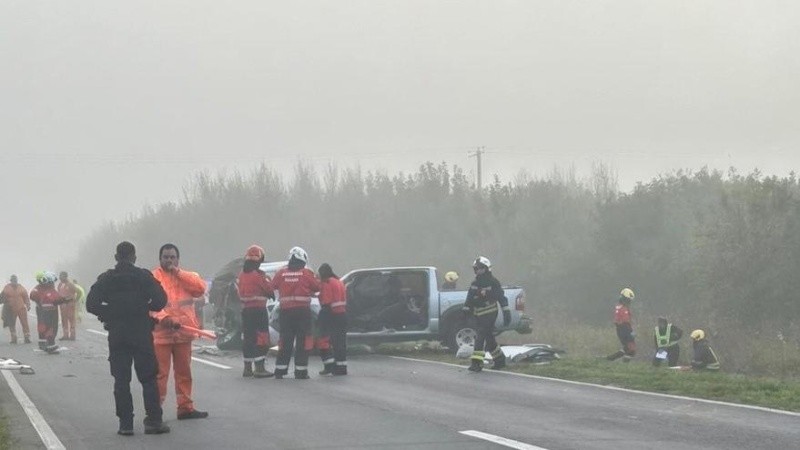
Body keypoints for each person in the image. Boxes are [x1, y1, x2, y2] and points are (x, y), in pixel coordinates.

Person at [85, 241, 170, 436]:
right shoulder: (143, 276)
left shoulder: (107, 279)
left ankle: (125, 424)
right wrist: (143, 307)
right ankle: (154, 422)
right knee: (148, 378)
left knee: (121, 379)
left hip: (118, 334)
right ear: (134, 257)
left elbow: (91, 304)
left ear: (116, 257)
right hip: (141, 332)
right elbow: (160, 301)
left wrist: (109, 313)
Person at [151, 243, 209, 420]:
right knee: (160, 374)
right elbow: (148, 303)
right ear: (160, 258)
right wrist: (164, 318)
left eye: (172, 257)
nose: (169, 260)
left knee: (184, 373)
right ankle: (155, 411)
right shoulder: (153, 278)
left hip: (183, 334)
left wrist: (178, 273)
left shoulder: (187, 276)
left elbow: (200, 289)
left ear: (178, 259)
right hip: (162, 334)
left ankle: (185, 408)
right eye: (166, 257)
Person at [271, 246, 320, 380]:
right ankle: (301, 372)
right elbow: (317, 287)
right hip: (302, 312)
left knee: (285, 341)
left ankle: (280, 371)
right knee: (303, 341)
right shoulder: (306, 273)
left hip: (285, 312)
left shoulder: (281, 273)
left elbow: (272, 286)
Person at [463, 256, 510, 372]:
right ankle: (500, 360)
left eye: (479, 268)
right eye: (476, 268)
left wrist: (506, 311)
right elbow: (469, 297)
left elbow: (501, 297)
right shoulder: (475, 283)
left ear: (486, 268)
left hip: (489, 312)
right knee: (489, 338)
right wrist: (466, 308)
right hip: (478, 314)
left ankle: (476, 363)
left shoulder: (493, 282)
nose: (477, 271)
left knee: (480, 336)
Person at [236, 245, 275, 378]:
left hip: (246, 311)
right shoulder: (259, 275)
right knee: (261, 338)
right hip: (259, 311)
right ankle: (259, 368)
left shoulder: (241, 275)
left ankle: (247, 368)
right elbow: (269, 289)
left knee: (248, 339)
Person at [316, 263, 348, 376]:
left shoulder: (327, 283)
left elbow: (327, 302)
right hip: (342, 315)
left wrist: (321, 319)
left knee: (325, 341)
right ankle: (342, 367)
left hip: (332, 315)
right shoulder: (339, 281)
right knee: (340, 343)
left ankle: (329, 366)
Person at [29, 271, 65, 354]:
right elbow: (33, 295)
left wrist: (62, 300)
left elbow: (57, 297)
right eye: (52, 282)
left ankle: (44, 343)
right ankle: (50, 345)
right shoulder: (39, 289)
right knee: (49, 327)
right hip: (45, 311)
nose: (53, 283)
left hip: (51, 310)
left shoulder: (49, 288)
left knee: (48, 327)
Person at [606, 288, 636, 362]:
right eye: (628, 300)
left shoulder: (620, 307)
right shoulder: (622, 308)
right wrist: (630, 332)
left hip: (622, 330)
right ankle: (612, 359)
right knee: (631, 349)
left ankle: (610, 359)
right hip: (624, 330)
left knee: (627, 348)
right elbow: (625, 321)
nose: (629, 302)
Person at [1, 275, 31, 344]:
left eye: (15, 280)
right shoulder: (7, 288)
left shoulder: (21, 288)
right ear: (11, 281)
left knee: (24, 323)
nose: (14, 282)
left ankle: (27, 337)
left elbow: (26, 297)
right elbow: (2, 297)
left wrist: (28, 305)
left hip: (21, 308)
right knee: (12, 324)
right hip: (11, 309)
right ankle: (13, 338)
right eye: (13, 280)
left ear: (17, 280)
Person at [57, 271, 79, 340]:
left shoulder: (70, 284)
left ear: (66, 276)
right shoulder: (60, 284)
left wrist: (75, 300)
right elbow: (59, 293)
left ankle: (72, 335)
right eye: (60, 276)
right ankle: (65, 335)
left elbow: (79, 292)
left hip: (70, 304)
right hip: (62, 305)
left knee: (71, 319)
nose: (60, 278)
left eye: (62, 276)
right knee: (64, 320)